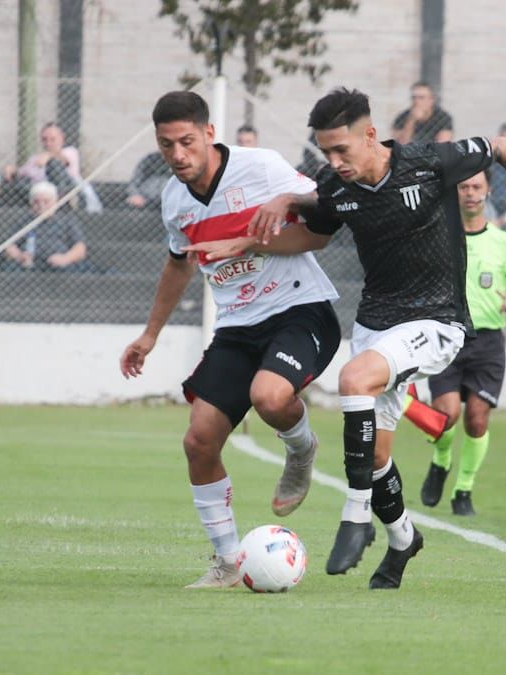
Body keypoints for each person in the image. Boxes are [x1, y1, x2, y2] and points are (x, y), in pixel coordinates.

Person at [187, 87, 506, 589]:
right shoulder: (336, 185)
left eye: (342, 149)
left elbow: (503, 146)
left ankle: (354, 516)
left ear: (370, 135)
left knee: (353, 379)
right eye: (326, 151)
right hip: (377, 323)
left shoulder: (428, 161)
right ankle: (402, 540)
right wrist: (250, 235)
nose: (334, 161)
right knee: (374, 455)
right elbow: (317, 229)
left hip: (437, 321)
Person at [118, 91, 342, 589]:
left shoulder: (260, 168)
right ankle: (225, 563)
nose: (178, 155)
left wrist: (251, 234)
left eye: (187, 142)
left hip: (300, 309)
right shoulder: (174, 199)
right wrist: (150, 334)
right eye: (166, 145)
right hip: (238, 327)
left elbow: (325, 221)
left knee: (269, 396)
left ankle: (301, 450)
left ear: (209, 134)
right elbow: (179, 263)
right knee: (198, 441)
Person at [404, 168, 506, 516]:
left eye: (476, 186)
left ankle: (463, 490)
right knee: (446, 416)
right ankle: (440, 461)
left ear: (488, 191)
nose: (470, 192)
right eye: (464, 186)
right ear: (456, 193)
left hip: (488, 342)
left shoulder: (505, 243)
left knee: (477, 420)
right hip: (447, 337)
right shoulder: (439, 238)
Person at [2, 122, 102, 213]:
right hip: (38, 194)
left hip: (64, 192)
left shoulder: (70, 152)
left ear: (62, 138)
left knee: (54, 165)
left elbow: (65, 162)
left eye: (52, 139)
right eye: (44, 140)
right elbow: (22, 172)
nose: (48, 143)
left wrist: (50, 157)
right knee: (17, 181)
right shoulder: (35, 159)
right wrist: (12, 170)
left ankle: (64, 207)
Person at [3, 181, 90, 271]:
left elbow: (80, 248)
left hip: (59, 263)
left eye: (46, 201)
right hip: (30, 263)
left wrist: (65, 258)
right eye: (36, 202)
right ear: (31, 203)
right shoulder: (24, 221)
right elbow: (9, 245)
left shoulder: (67, 221)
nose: (41, 206)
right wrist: (20, 256)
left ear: (55, 202)